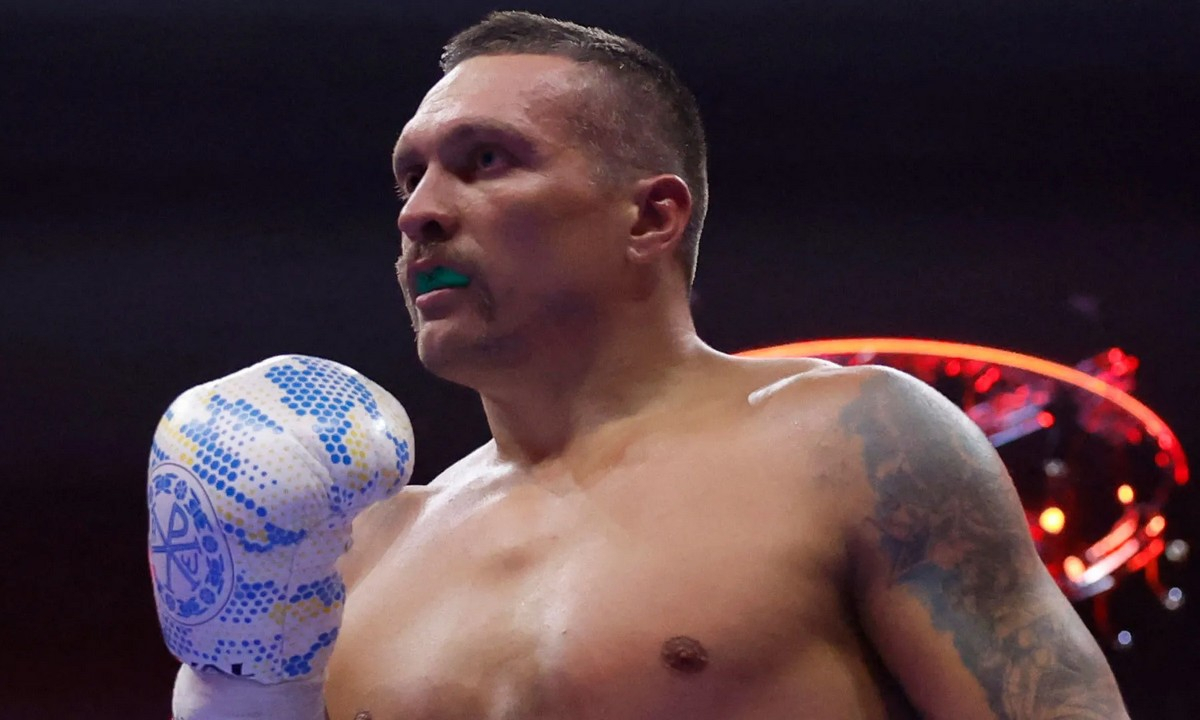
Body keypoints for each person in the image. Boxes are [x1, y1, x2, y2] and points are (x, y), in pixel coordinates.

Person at [149, 10, 1130, 719]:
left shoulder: (851, 444)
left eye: (484, 160)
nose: (421, 212)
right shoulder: (362, 551)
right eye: (411, 176)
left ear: (651, 216)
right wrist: (235, 693)